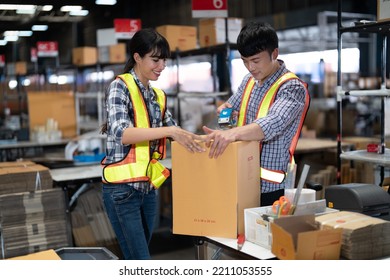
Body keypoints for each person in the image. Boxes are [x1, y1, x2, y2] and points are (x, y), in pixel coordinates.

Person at [100, 28, 205, 260]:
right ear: (137, 57)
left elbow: (176, 131)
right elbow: (121, 132)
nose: (161, 66)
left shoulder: (157, 95)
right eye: (155, 60)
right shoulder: (120, 86)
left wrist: (209, 140)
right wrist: (170, 131)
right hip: (122, 190)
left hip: (148, 189)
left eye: (164, 60)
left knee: (138, 258)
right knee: (141, 260)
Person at [202, 21, 310, 206]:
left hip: (271, 187)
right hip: (242, 176)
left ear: (274, 54)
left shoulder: (291, 87)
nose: (250, 67)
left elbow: (273, 122)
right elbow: (232, 104)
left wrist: (231, 133)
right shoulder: (249, 81)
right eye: (245, 61)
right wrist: (225, 113)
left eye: (255, 60)